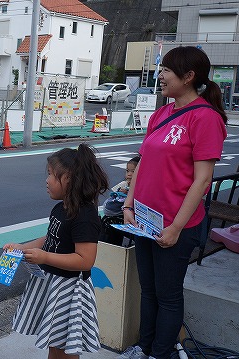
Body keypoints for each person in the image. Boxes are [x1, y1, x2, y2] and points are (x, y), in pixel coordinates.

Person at [118, 46, 227, 359]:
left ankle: (160, 353)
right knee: (148, 290)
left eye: (166, 70)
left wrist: (176, 227)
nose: (160, 76)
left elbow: (203, 180)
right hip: (144, 221)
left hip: (176, 226)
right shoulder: (161, 114)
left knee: (167, 295)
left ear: (189, 77)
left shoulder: (205, 118)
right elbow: (141, 165)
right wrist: (128, 206)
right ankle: (144, 346)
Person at [4, 143, 109, 359]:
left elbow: (85, 259)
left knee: (66, 345)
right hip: (53, 283)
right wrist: (22, 247)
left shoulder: (85, 215)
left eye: (52, 174)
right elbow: (51, 238)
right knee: (56, 341)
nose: (47, 180)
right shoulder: (62, 207)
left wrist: (45, 257)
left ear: (69, 179)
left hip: (69, 289)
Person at [101, 155, 140, 246]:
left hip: (139, 226)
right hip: (136, 223)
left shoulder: (136, 189)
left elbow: (110, 208)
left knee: (108, 220)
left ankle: (108, 254)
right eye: (127, 171)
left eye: (133, 171)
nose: (129, 174)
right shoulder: (125, 186)